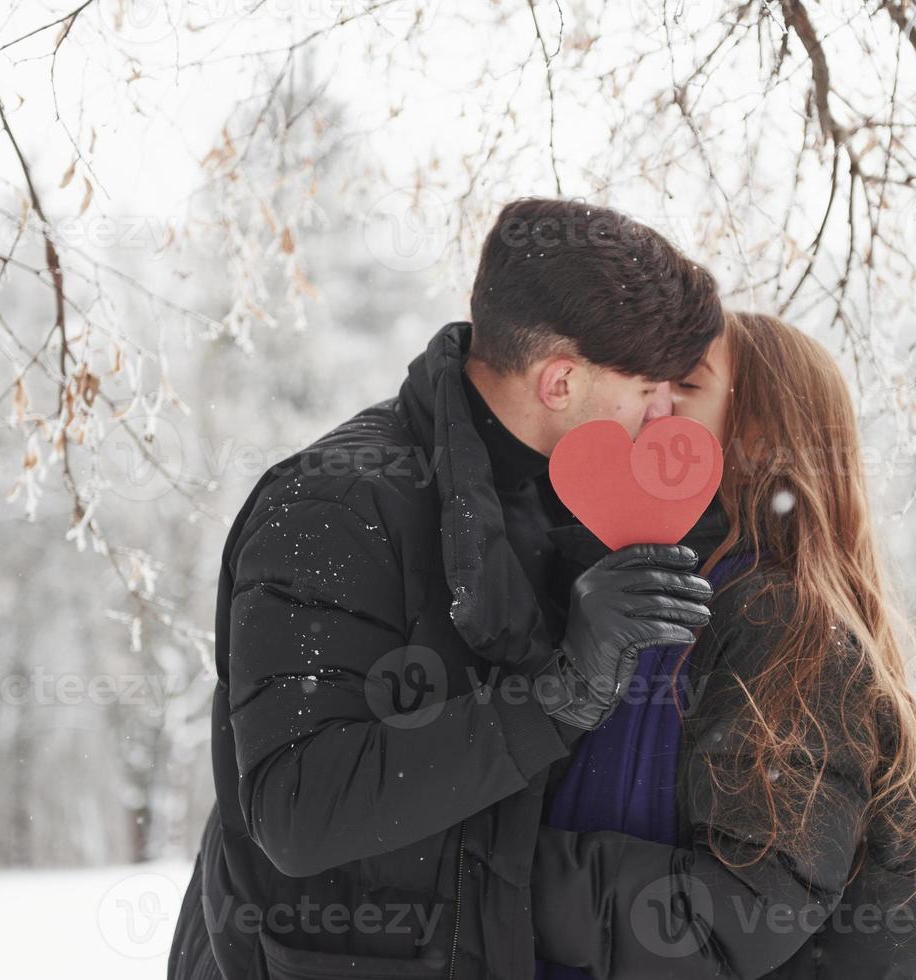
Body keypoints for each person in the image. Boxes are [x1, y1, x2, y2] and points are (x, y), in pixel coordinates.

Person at [167, 197, 726, 979]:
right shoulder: (333, 506)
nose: (667, 413)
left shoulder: (550, 500)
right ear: (561, 380)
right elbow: (295, 809)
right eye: (649, 389)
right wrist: (558, 697)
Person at [531, 310, 916, 979]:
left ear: (763, 437)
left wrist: (498, 877)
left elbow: (739, 910)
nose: (650, 402)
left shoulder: (778, 621)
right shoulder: (644, 592)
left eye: (685, 383)